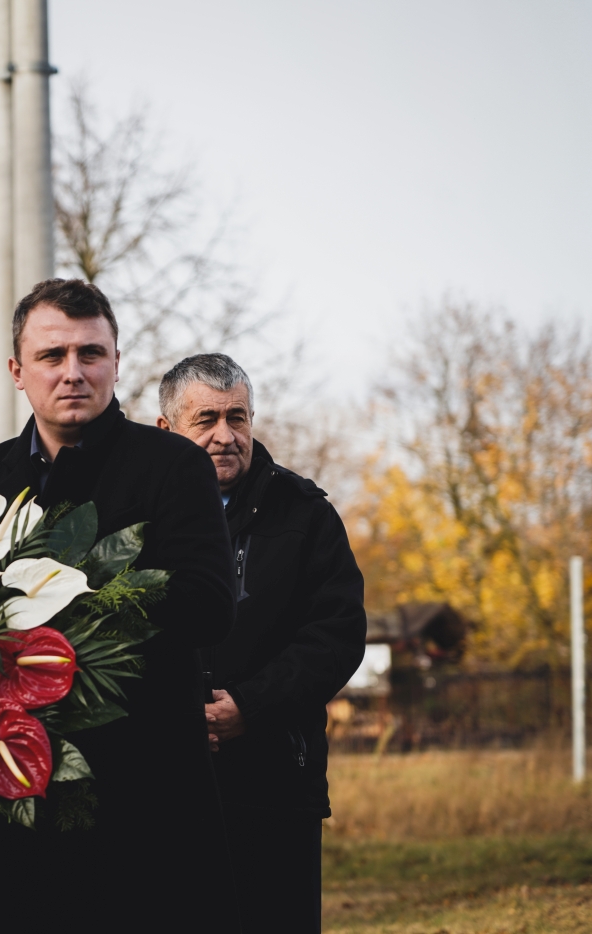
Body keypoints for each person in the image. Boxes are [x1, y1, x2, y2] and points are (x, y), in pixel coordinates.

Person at [0, 278, 238, 932]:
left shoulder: (173, 467)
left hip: (149, 791)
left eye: (91, 353)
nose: (73, 372)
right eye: (52, 356)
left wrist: (63, 611)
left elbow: (209, 604)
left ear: (116, 362)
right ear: (18, 371)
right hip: (20, 785)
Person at [157, 353, 367, 933]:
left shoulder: (307, 515)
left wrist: (249, 707)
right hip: (161, 788)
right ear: (166, 429)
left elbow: (337, 636)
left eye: (238, 417)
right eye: (206, 420)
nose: (225, 436)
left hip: (276, 782)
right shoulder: (137, 518)